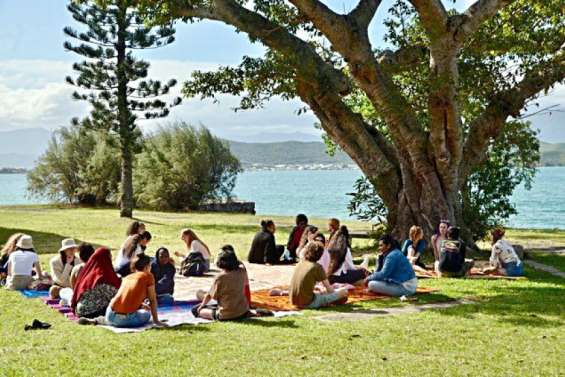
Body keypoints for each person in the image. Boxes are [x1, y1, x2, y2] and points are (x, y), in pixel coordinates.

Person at [104, 254, 166, 328]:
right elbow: (152, 299)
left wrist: (140, 305)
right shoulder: (148, 275)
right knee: (147, 314)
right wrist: (156, 321)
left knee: (140, 311)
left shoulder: (127, 277)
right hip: (126, 319)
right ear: (147, 267)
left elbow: (124, 297)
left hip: (109, 315)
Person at [193, 245, 250, 321]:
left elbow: (210, 296)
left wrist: (201, 306)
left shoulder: (220, 277)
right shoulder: (242, 271)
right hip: (243, 311)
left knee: (195, 309)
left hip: (226, 314)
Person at [289, 242, 348, 309]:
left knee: (322, 293)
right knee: (344, 291)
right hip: (308, 303)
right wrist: (337, 294)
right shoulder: (317, 267)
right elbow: (329, 289)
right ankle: (329, 301)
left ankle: (327, 300)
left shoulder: (300, 264)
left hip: (293, 301)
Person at [72, 248, 121, 319]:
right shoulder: (102, 276)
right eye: (109, 257)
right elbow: (115, 297)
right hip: (91, 312)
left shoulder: (89, 272)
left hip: (79, 310)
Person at [325, 219, 368, 284]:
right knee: (363, 272)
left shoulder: (328, 247)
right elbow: (350, 267)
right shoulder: (344, 249)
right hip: (337, 277)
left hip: (328, 277)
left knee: (356, 269)